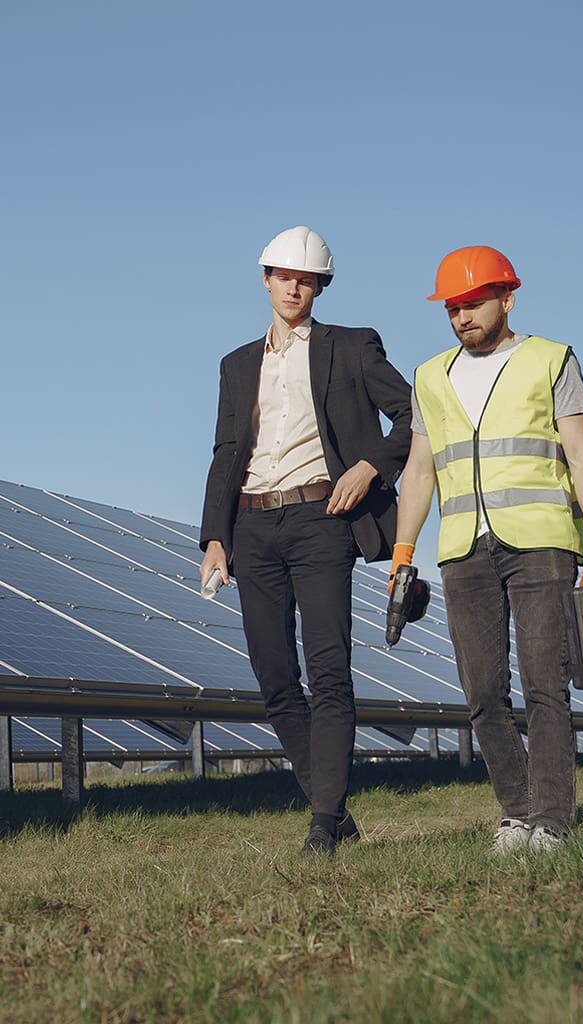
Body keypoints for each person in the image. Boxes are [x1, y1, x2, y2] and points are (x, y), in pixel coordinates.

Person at [390, 245, 583, 855]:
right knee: (482, 693)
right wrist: (403, 551)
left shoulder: (551, 360)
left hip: (542, 543)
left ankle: (553, 822)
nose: (462, 316)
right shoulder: (429, 376)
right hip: (462, 550)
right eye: (452, 308)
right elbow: (419, 471)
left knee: (546, 684)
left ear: (507, 298)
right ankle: (516, 815)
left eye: (473, 304)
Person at [200, 226, 412, 854]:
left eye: (306, 279)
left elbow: (413, 412)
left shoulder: (352, 347)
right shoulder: (237, 364)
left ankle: (323, 821)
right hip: (251, 526)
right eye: (283, 276)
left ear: (319, 287)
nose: (294, 287)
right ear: (266, 280)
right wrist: (215, 536)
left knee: (328, 670)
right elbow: (223, 451)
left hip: (324, 519)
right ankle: (331, 804)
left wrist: (370, 465)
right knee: (272, 673)